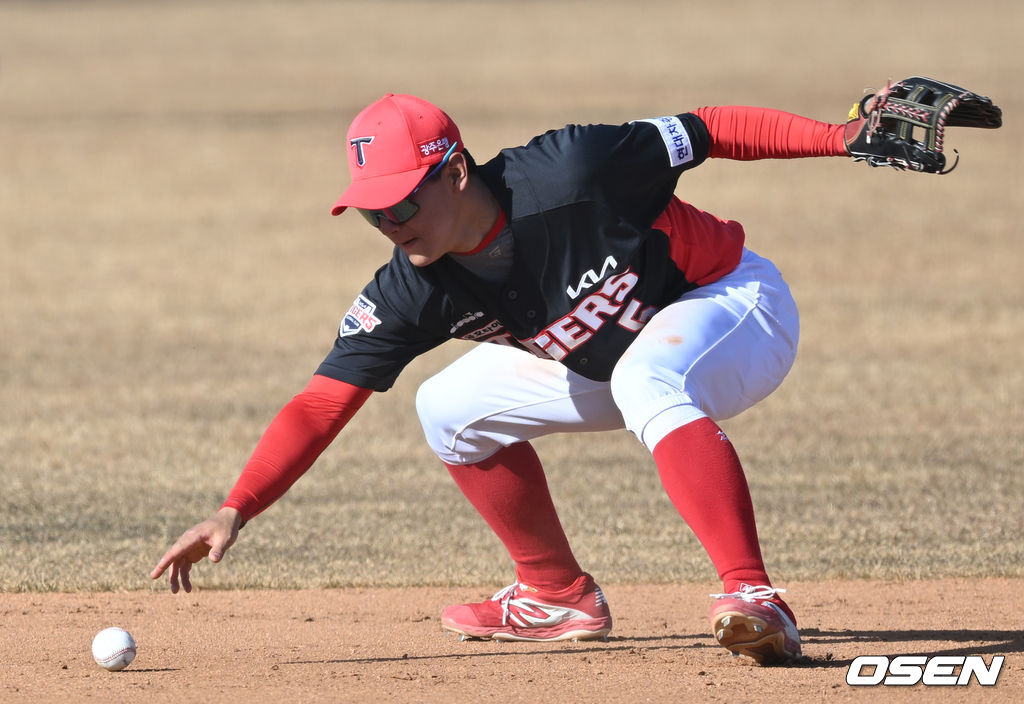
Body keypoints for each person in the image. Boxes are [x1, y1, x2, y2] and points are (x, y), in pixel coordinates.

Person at [152, 91, 860, 665]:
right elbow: (319, 403)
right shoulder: (413, 289)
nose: (389, 222)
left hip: (735, 306)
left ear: (456, 172)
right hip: (609, 355)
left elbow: (706, 128)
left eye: (402, 202)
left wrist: (841, 137)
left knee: (647, 378)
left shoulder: (573, 171)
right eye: (372, 211)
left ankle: (753, 595)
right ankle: (555, 595)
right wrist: (235, 507)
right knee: (446, 407)